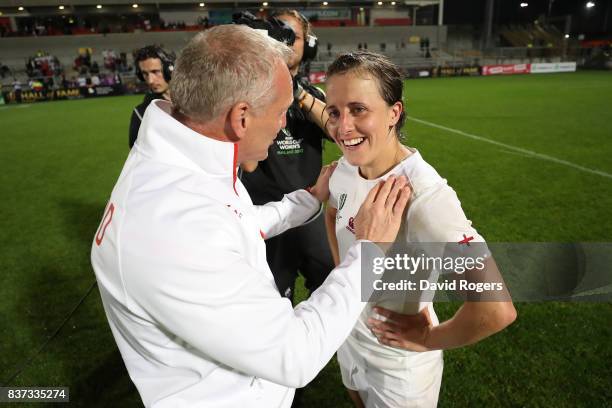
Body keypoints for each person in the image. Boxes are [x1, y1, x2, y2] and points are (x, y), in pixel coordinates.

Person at [91, 25, 412, 408]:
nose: (282, 126)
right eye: (280, 113)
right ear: (241, 117)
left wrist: (307, 201)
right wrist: (368, 252)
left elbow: (232, 225)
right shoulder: (175, 226)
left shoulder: (182, 159)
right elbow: (294, 353)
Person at [323, 51, 517, 408]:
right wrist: (344, 272)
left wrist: (428, 338)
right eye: (334, 112)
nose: (342, 126)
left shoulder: (425, 197)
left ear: (394, 113)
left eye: (358, 109)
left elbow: (496, 309)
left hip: (399, 364)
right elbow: (333, 210)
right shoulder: (345, 168)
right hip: (349, 330)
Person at [240, 10, 333, 303]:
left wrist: (300, 94)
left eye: (294, 37)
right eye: (281, 35)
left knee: (334, 284)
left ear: (310, 45)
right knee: (273, 297)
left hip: (311, 212)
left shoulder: (313, 94)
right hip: (266, 214)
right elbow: (247, 162)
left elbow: (339, 132)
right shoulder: (251, 94)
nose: (288, 43)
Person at [128, 45, 174, 148]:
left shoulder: (194, 102)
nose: (150, 80)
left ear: (170, 69)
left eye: (155, 72)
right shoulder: (141, 113)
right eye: (145, 74)